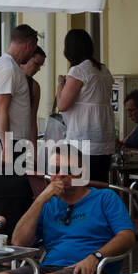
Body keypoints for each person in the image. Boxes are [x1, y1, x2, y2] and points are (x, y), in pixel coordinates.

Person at [0, 144, 136, 274]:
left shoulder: (105, 198)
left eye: (69, 170)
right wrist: (41, 199)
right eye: (56, 170)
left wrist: (95, 256)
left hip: (93, 272)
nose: (61, 175)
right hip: (50, 268)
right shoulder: (48, 204)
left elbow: (127, 236)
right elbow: (19, 242)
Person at [0, 24, 40, 230]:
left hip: (6, 141)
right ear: (30, 45)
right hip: (5, 143)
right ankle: (5, 246)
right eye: (33, 50)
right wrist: (6, 146)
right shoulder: (8, 68)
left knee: (12, 199)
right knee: (7, 200)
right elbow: (1, 109)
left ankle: (7, 244)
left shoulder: (5, 65)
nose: (32, 56)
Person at [55, 29, 117, 183]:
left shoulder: (78, 71)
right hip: (104, 140)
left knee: (79, 187)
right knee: (99, 186)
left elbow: (62, 105)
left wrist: (61, 84)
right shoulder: (104, 70)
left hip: (81, 141)